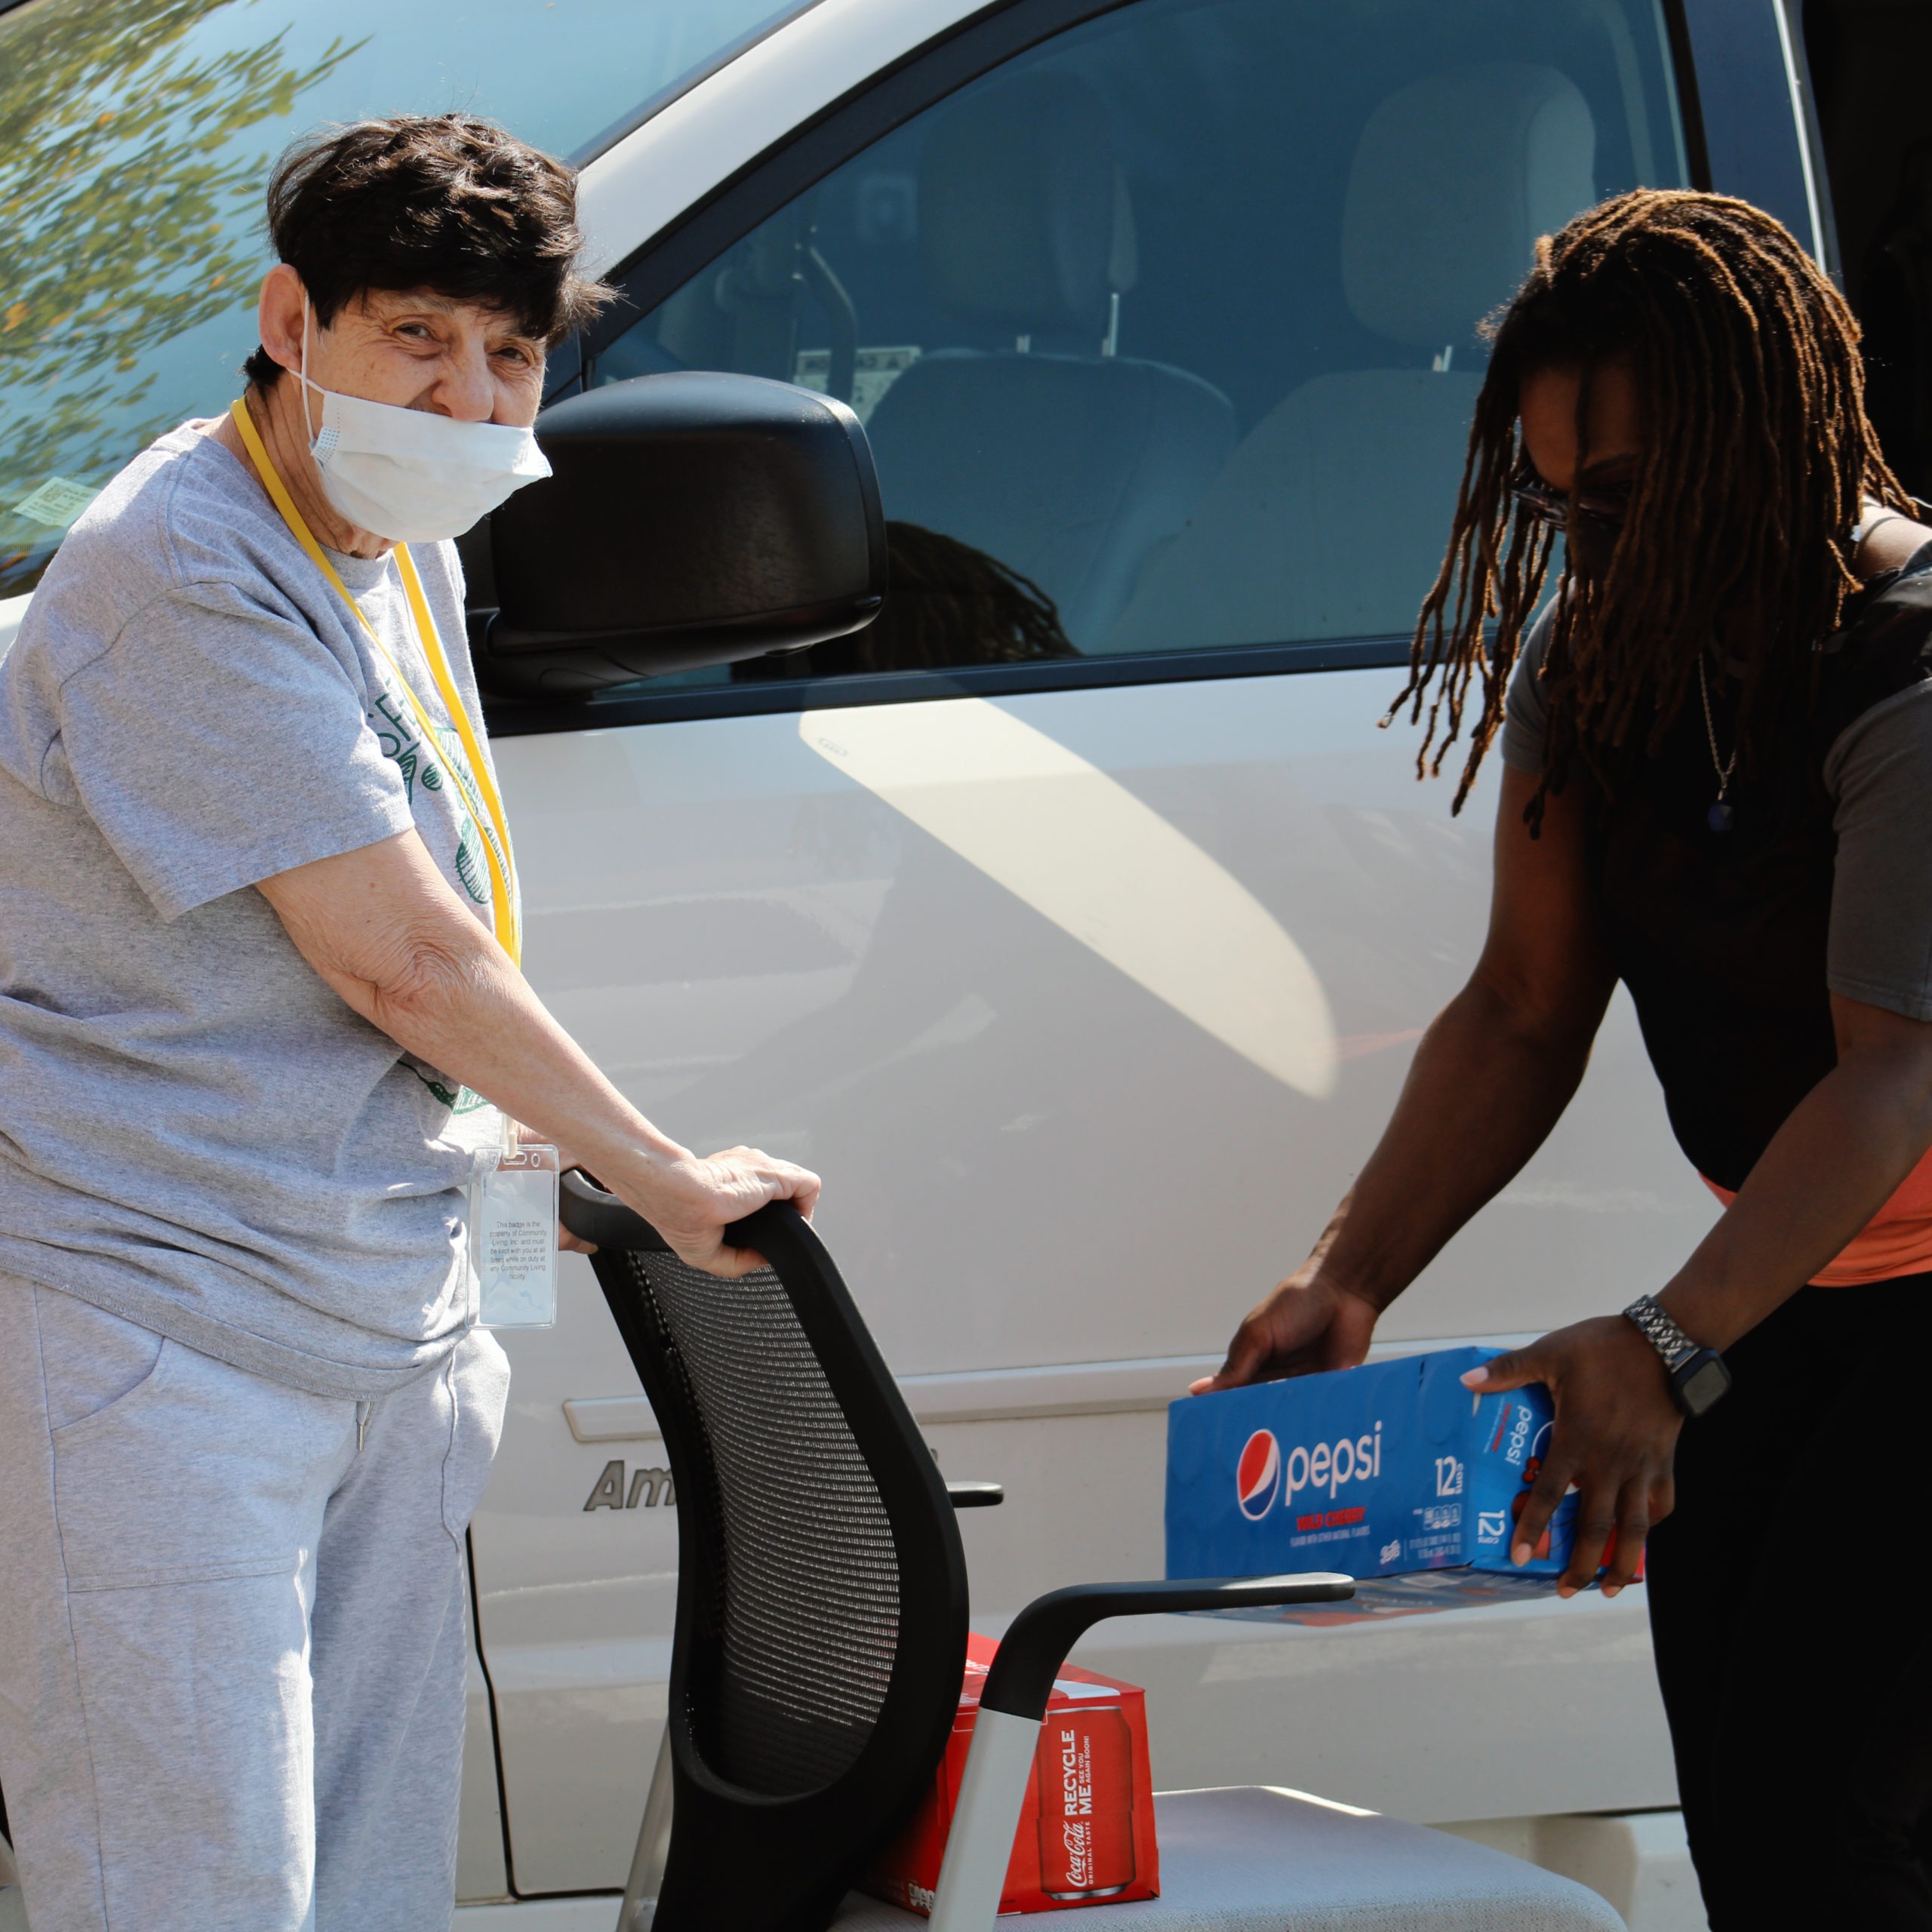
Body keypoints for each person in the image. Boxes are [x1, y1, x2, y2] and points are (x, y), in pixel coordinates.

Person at [0, 115, 817, 1932]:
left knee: (369, 1891)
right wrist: (666, 1174)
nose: (467, 400)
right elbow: (407, 960)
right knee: (191, 1895)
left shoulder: (394, 539)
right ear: (291, 322)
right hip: (163, 1320)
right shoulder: (178, 567)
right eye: (413, 340)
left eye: (509, 355)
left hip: (376, 1304)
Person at [1195, 189, 1932, 1927]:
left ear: (1763, 455)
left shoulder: (1905, 675)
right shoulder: (1598, 658)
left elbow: (1891, 1075)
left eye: (1619, 502)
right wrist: (1343, 1271)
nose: (1581, 546)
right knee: (1761, 1828)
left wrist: (1665, 1339)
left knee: (1831, 1829)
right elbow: (1523, 1005)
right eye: (1550, 501)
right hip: (1806, 1291)